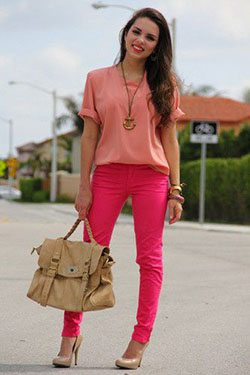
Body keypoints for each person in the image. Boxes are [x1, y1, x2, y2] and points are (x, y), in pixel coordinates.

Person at [52, 7, 185, 370]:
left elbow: (170, 140)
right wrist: (83, 186)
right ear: (125, 33)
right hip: (107, 176)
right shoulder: (97, 78)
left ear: (157, 47)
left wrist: (176, 189)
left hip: (151, 178)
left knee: (150, 259)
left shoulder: (165, 85)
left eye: (150, 37)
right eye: (136, 32)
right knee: (85, 257)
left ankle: (139, 340)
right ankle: (70, 335)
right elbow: (90, 135)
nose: (140, 40)